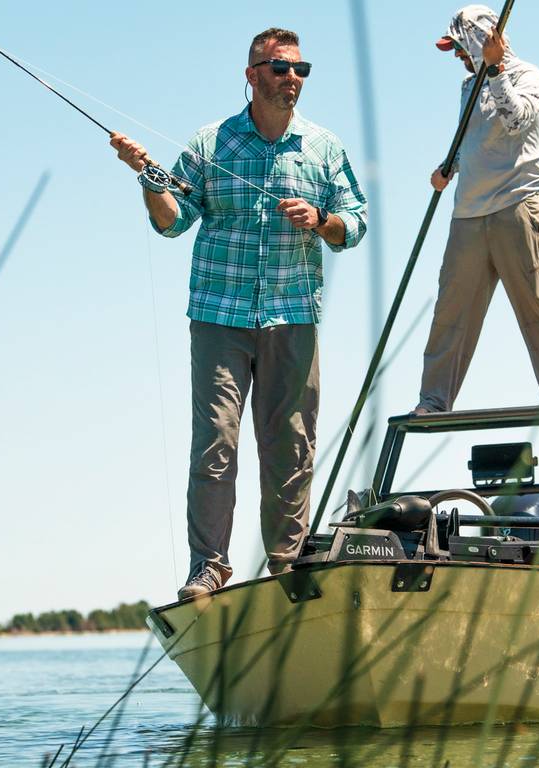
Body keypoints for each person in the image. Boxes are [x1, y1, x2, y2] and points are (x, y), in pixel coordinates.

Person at [110, 28, 367, 599]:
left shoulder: (323, 147)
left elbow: (354, 222)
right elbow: (172, 221)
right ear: (252, 76)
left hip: (293, 316)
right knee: (215, 444)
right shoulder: (212, 142)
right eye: (280, 68)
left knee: (290, 447)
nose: (292, 77)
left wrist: (321, 219)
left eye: (300, 69)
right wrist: (146, 177)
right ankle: (209, 568)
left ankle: (287, 565)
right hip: (218, 317)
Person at [414, 5, 539, 415]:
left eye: (460, 45)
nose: (457, 54)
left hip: (519, 204)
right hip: (468, 214)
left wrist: (495, 70)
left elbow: (515, 121)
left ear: (481, 40)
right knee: (450, 312)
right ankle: (433, 401)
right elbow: (473, 139)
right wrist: (449, 166)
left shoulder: (527, 75)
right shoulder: (467, 86)